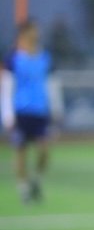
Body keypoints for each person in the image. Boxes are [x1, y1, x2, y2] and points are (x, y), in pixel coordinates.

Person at [1, 19, 63, 203]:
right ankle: (23, 188)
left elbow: (52, 85)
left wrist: (56, 108)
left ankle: (36, 180)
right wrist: (7, 114)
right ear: (24, 33)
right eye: (33, 30)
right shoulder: (13, 59)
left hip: (40, 111)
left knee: (44, 150)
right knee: (20, 152)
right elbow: (7, 88)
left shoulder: (45, 57)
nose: (37, 34)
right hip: (20, 112)